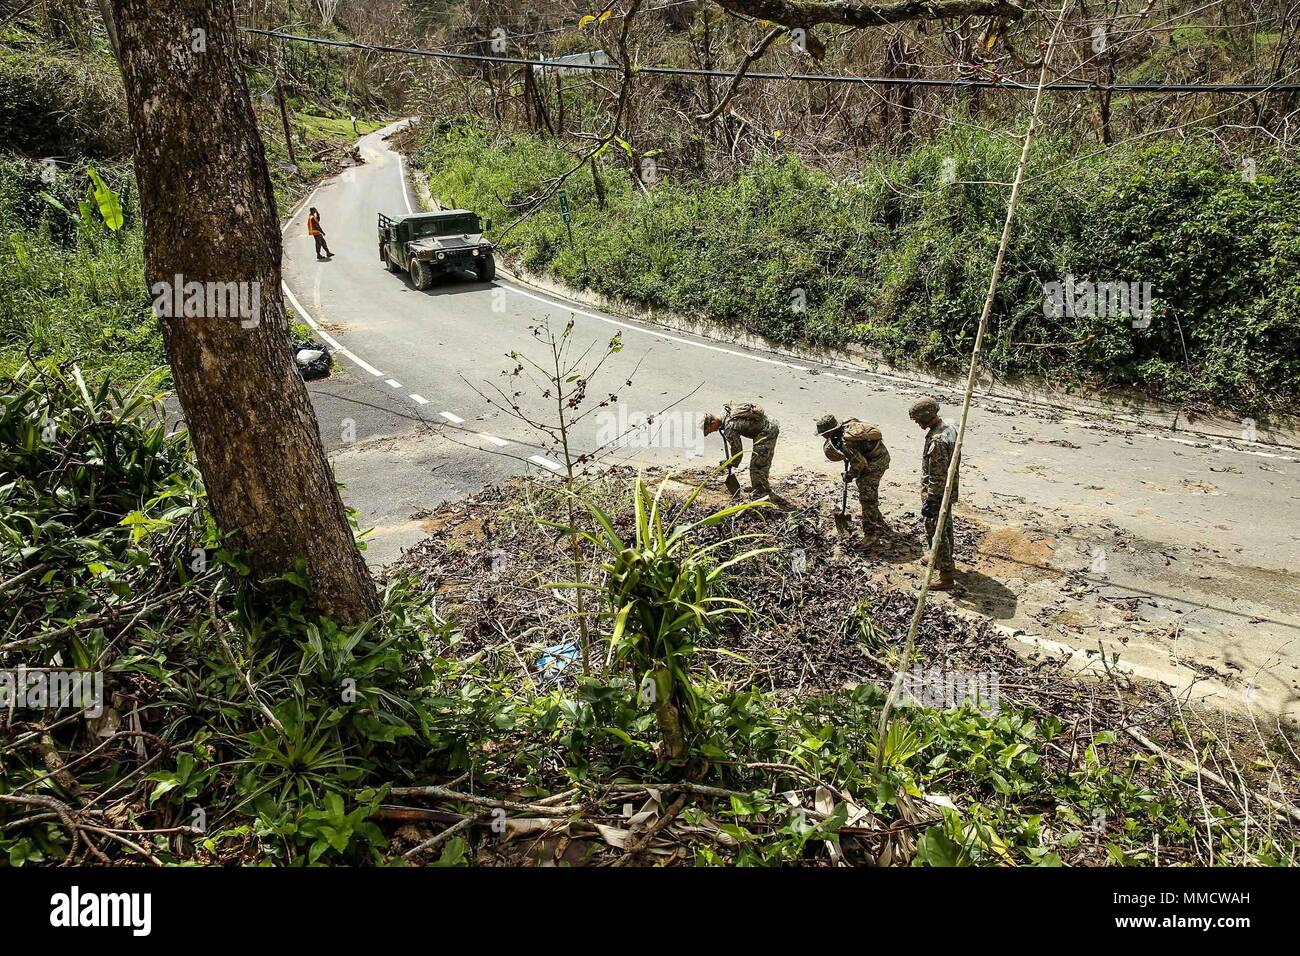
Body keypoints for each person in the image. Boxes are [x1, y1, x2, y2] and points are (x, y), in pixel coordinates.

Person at [909, 397, 958, 590]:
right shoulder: (950, 425)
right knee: (946, 525)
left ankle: (945, 574)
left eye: (918, 420)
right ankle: (938, 555)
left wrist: (930, 500)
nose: (917, 423)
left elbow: (937, 475)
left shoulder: (937, 441)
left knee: (936, 530)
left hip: (937, 493)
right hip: (949, 488)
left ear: (926, 417)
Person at [816, 414, 890, 541]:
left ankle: (870, 535)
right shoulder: (845, 427)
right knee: (865, 489)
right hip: (872, 457)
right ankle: (877, 520)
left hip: (876, 462)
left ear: (830, 431)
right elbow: (857, 453)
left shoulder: (846, 441)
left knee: (867, 498)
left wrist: (849, 475)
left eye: (823, 433)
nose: (822, 436)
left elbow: (860, 464)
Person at [702, 402, 779, 497]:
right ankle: (762, 487)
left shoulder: (729, 427)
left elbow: (737, 450)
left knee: (758, 464)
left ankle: (761, 492)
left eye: (710, 430)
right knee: (761, 461)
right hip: (768, 423)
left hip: (767, 431)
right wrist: (731, 462)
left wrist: (731, 463)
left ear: (713, 423)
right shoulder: (724, 413)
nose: (712, 432)